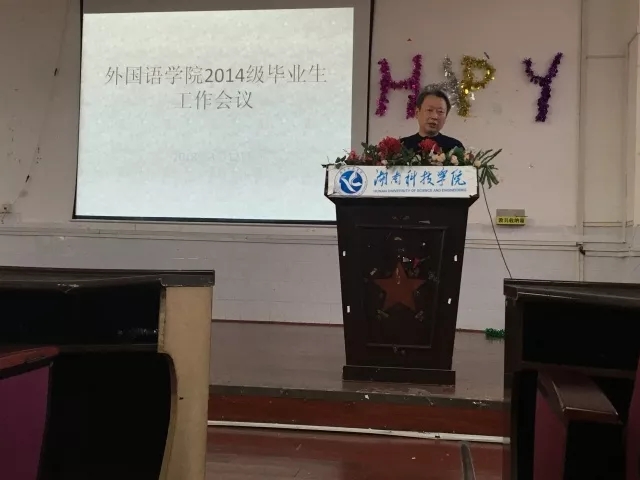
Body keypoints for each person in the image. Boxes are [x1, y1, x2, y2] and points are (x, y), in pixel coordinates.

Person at [400, 88, 464, 153]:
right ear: (417, 113)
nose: (434, 116)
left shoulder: (455, 147)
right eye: (429, 110)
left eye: (440, 111)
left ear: (445, 117)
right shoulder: (401, 146)